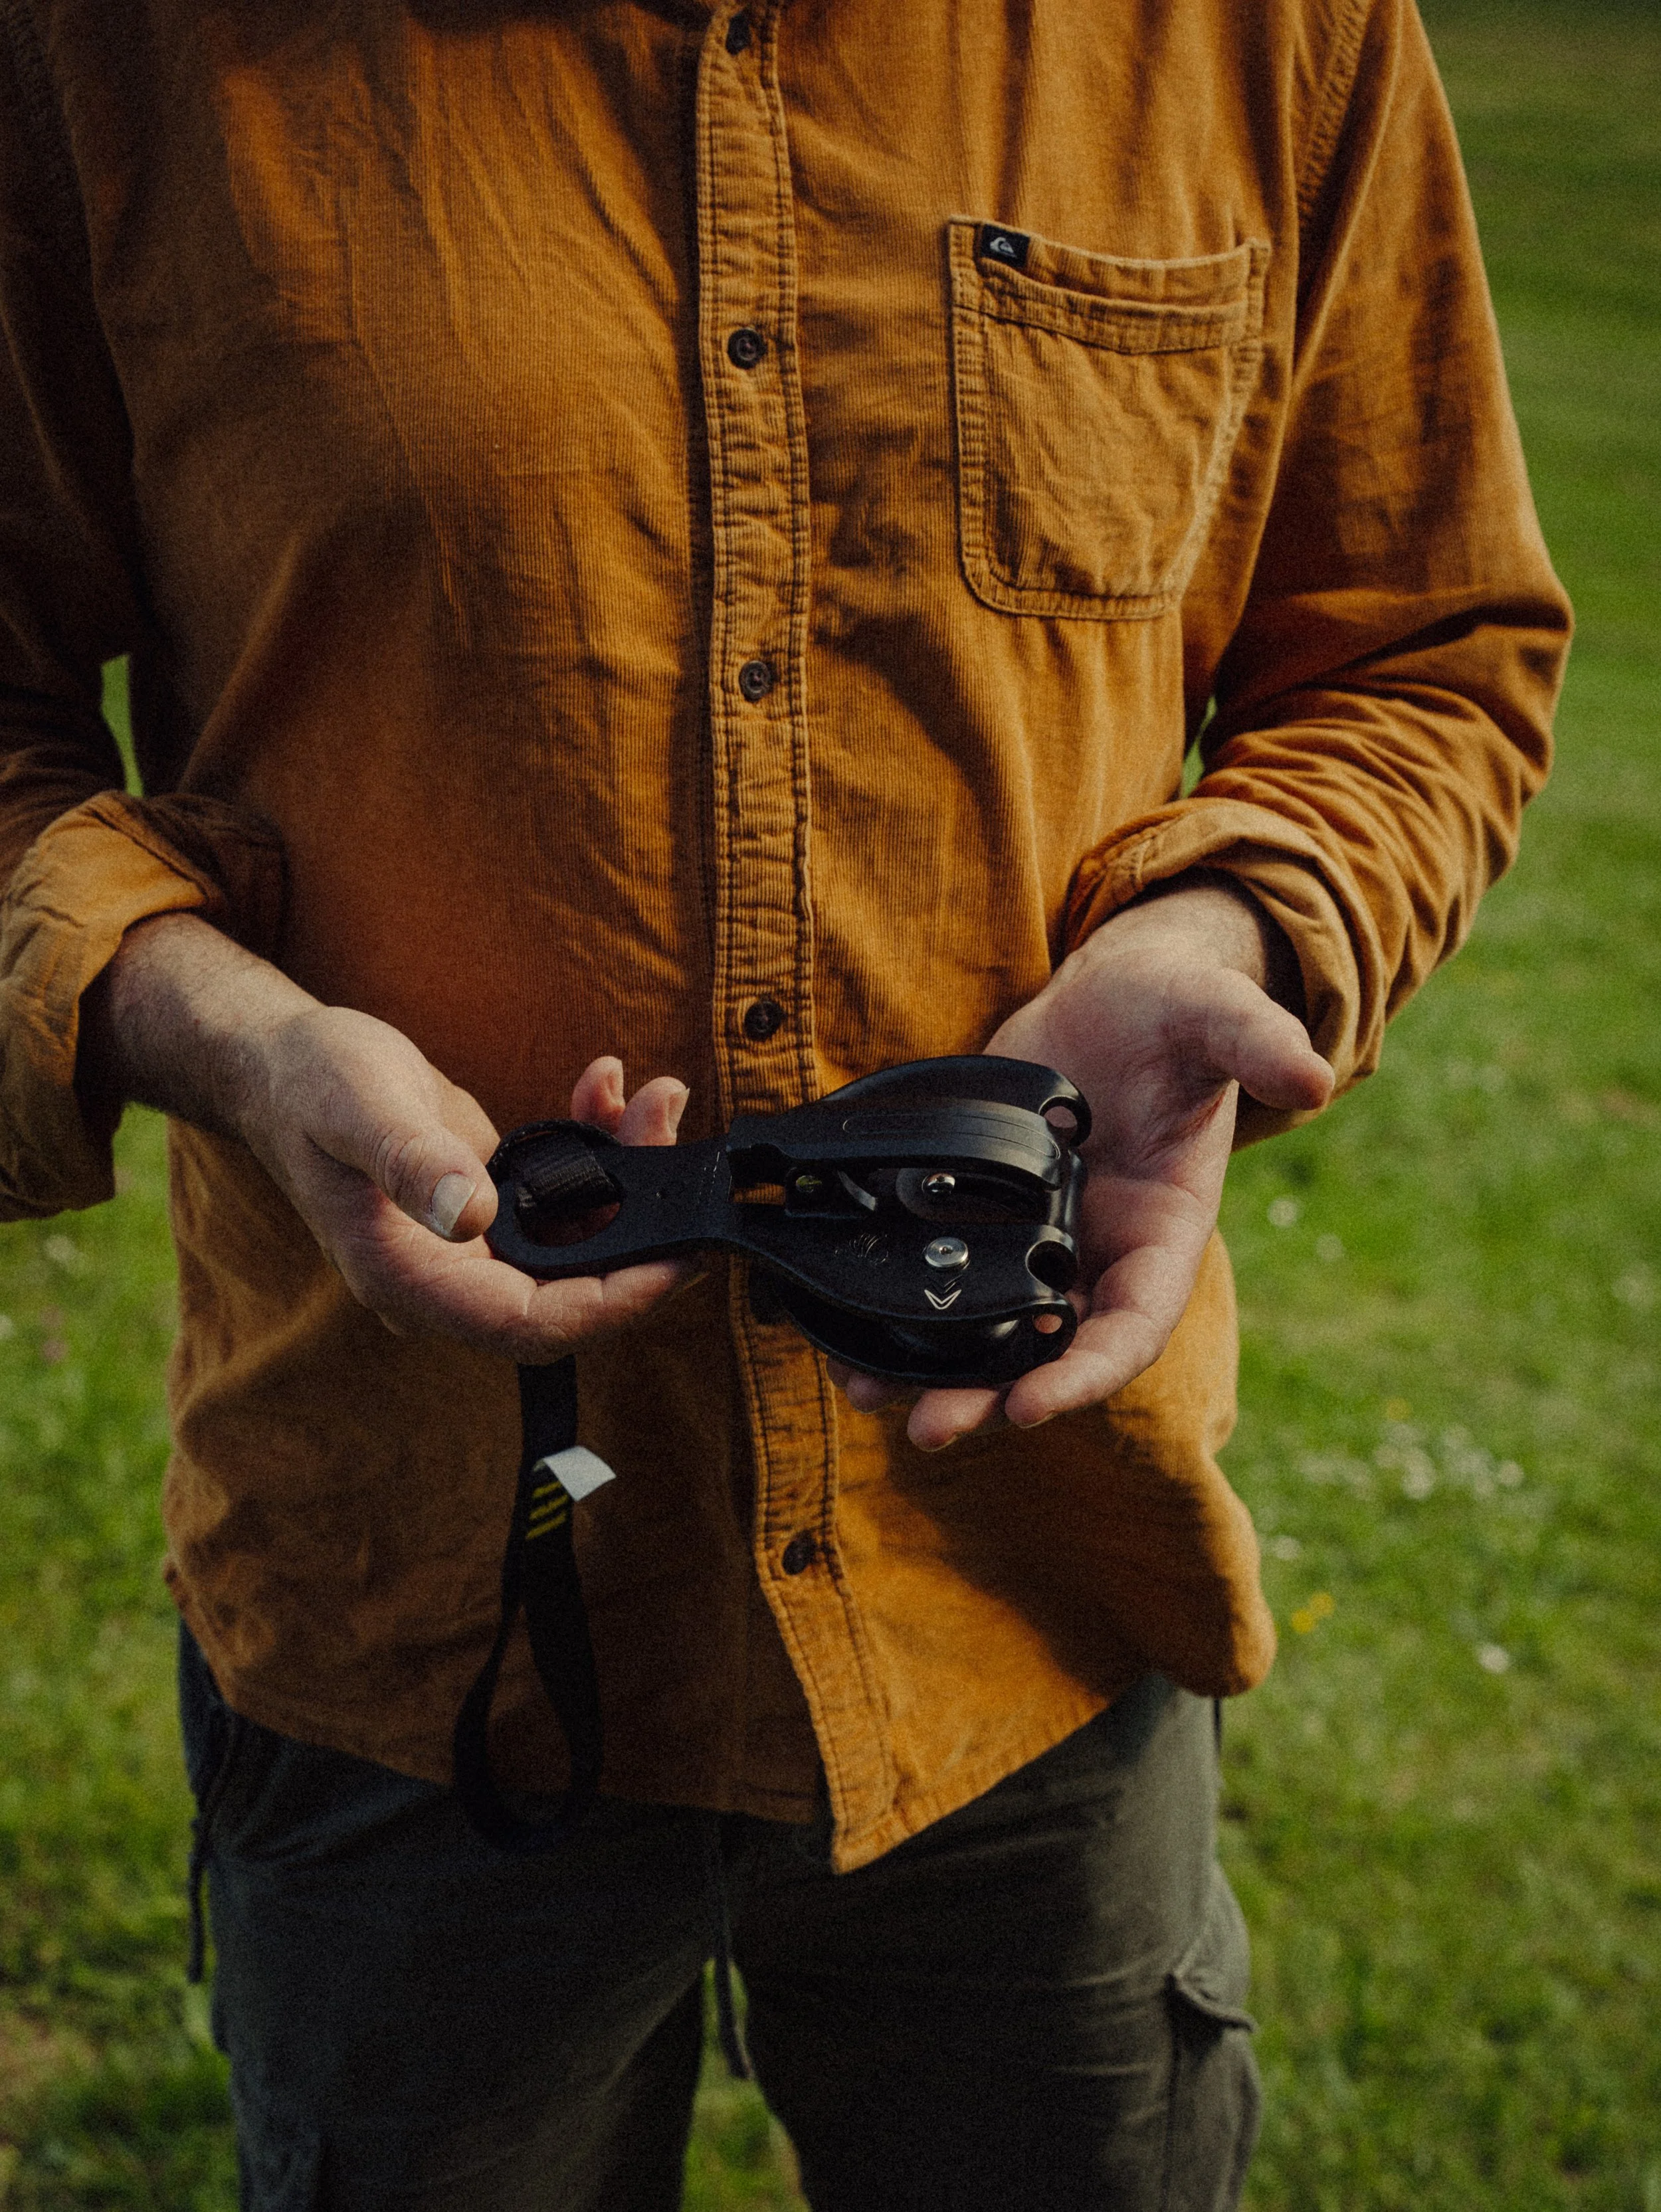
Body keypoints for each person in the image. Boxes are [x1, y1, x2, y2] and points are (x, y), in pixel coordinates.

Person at [0, 0, 1569, 2205]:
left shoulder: (1261, 32)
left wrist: (1222, 933)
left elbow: (1426, 646)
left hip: (1025, 1578)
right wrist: (219, 1032)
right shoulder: (108, 55)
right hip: (409, 1615)